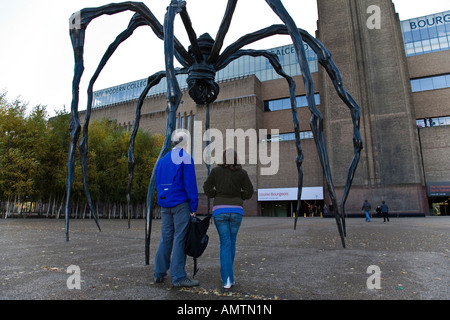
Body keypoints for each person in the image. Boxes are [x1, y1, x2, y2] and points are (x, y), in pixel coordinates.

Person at [203, 149, 254, 289]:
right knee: (231, 243)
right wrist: (240, 196)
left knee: (225, 244)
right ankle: (229, 278)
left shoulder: (216, 171)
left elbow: (206, 187)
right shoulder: (242, 173)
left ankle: (226, 279)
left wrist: (216, 194)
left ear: (224, 158)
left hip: (220, 211)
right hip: (236, 211)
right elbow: (250, 191)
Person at [153, 131, 199, 287]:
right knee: (180, 238)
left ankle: (159, 272)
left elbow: (157, 183)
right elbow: (190, 185)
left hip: (165, 204)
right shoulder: (186, 159)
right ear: (185, 143)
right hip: (180, 204)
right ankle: (178, 276)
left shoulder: (161, 161)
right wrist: (194, 207)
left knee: (166, 238)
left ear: (172, 142)